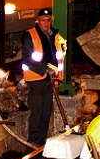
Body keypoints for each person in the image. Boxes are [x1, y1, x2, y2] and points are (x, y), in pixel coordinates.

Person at [21, 8, 66, 146]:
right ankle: (33, 143)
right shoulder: (30, 35)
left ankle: (42, 142)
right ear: (38, 21)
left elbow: (58, 56)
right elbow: (27, 59)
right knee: (37, 112)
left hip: (50, 80)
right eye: (43, 20)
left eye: (48, 20)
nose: (46, 23)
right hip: (36, 80)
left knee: (46, 112)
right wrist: (45, 69)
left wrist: (57, 75)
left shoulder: (55, 36)